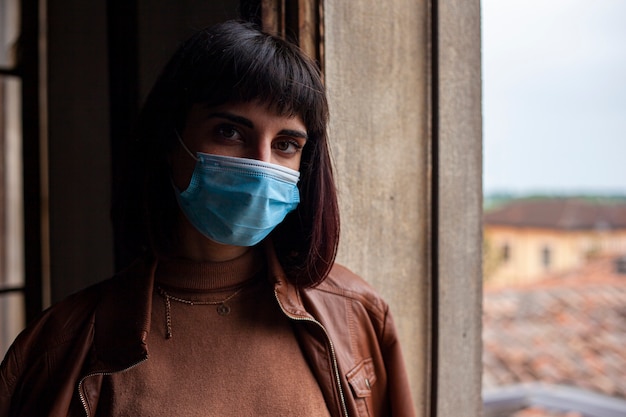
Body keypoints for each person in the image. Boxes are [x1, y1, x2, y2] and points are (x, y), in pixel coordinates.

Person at [0, 20, 416, 416]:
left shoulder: (355, 316)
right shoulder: (60, 347)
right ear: (170, 139)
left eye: (286, 144)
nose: (260, 165)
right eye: (230, 132)